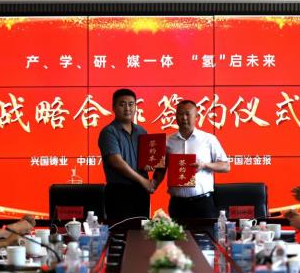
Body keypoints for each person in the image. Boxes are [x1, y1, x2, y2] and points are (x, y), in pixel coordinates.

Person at [152, 100, 230, 218]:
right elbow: (161, 170)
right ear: (175, 116)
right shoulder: (167, 141)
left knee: (205, 231)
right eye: (180, 114)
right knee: (176, 231)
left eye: (188, 114)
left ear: (196, 117)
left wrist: (204, 165)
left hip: (203, 203)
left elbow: (226, 166)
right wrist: (153, 185)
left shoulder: (209, 139)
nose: (184, 118)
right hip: (177, 204)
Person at [98, 88, 153, 219]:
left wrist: (150, 164)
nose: (127, 108)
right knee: (120, 229)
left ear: (135, 107)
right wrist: (143, 181)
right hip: (119, 192)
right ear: (113, 107)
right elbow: (116, 162)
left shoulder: (142, 132)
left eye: (131, 104)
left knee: (141, 229)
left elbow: (146, 159)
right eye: (122, 104)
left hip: (141, 192)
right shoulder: (109, 132)